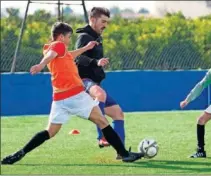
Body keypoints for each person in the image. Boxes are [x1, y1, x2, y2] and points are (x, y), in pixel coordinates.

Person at [1, 22, 144, 165]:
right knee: (102, 121)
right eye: (69, 37)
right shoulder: (58, 45)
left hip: (59, 99)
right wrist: (41, 65)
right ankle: (124, 154)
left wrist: (86, 48)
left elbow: (69, 55)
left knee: (49, 132)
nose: (70, 40)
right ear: (61, 37)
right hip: (75, 96)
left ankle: (19, 154)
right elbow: (51, 55)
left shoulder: (58, 50)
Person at [75, 7, 125, 150]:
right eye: (103, 21)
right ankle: (103, 136)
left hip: (94, 83)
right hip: (83, 82)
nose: (105, 25)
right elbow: (78, 57)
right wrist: (95, 62)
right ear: (92, 20)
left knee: (118, 113)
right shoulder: (84, 37)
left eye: (107, 22)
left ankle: (122, 152)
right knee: (100, 94)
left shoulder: (97, 37)